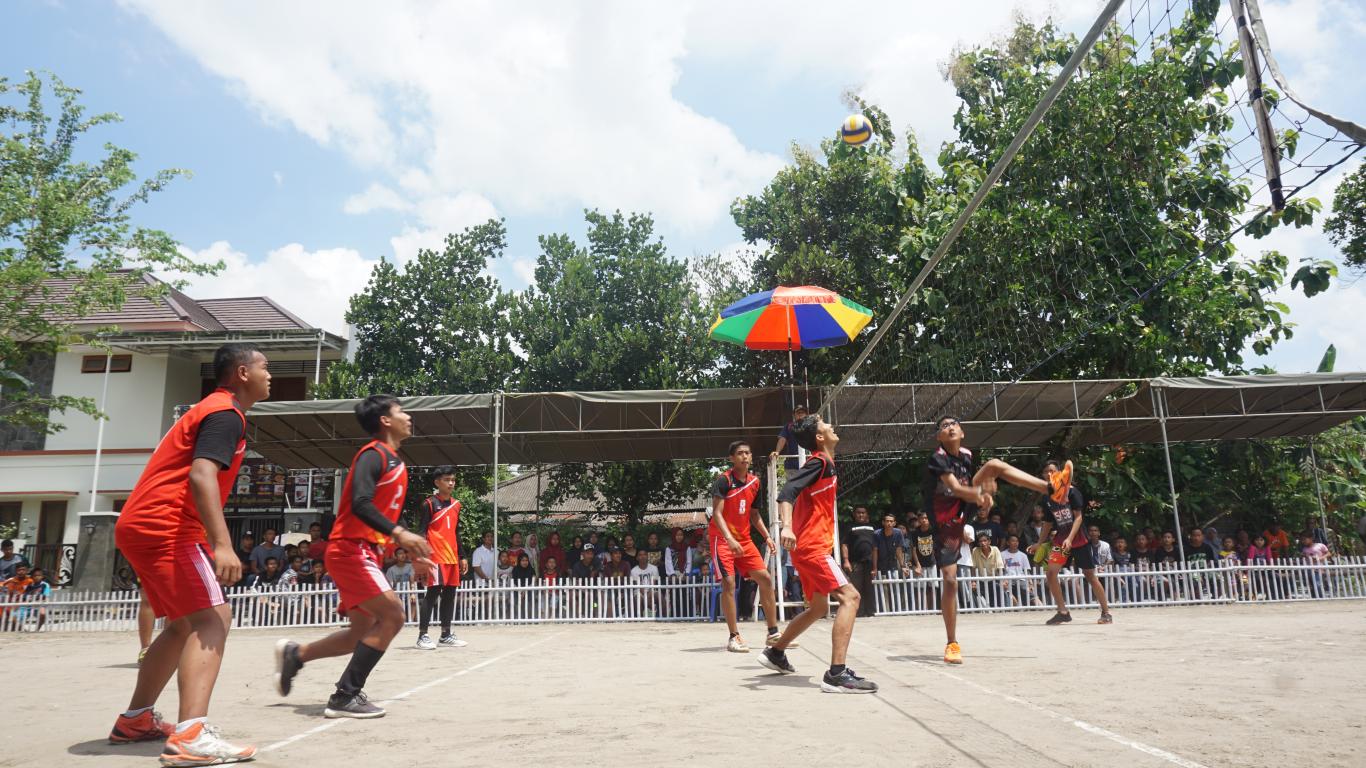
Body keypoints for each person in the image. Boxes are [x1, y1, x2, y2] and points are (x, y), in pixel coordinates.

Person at [109, 343, 267, 764]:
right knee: (214, 617)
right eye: (265, 367)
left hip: (142, 523)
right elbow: (202, 474)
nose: (270, 375)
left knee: (181, 625)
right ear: (242, 373)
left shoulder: (213, 410)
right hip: (169, 525)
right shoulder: (224, 412)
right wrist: (222, 543)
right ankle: (192, 734)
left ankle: (135, 720)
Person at [274, 394, 433, 720]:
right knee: (393, 616)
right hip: (350, 550)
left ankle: (296, 655)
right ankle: (345, 695)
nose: (408, 416)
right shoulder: (372, 455)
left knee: (359, 633)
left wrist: (405, 549)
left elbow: (377, 518)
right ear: (385, 421)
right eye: (401, 411)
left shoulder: (394, 461)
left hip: (364, 551)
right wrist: (401, 534)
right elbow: (360, 504)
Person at [759, 415, 876, 694]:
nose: (831, 424)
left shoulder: (828, 464)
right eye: (824, 424)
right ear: (820, 438)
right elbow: (787, 491)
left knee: (820, 608)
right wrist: (787, 526)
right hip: (811, 547)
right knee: (852, 597)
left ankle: (776, 653)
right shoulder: (819, 462)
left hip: (809, 548)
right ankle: (836, 674)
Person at [977, 457, 1109, 625]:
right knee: (1051, 573)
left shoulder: (1073, 492)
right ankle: (1063, 611)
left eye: (1052, 471)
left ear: (1060, 474)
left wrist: (1070, 538)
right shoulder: (1047, 498)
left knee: (1090, 576)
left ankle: (1106, 612)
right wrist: (1040, 542)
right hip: (1061, 541)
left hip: (1078, 540)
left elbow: (1078, 518)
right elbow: (1048, 522)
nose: (1048, 474)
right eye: (1046, 472)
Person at [708, 440, 784, 652]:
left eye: (747, 453)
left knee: (766, 580)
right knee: (729, 584)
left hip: (744, 539)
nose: (744, 456)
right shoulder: (723, 480)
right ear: (732, 458)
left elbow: (754, 514)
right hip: (722, 539)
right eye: (740, 453)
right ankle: (734, 636)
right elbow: (717, 513)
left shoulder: (755, 483)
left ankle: (773, 633)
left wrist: (767, 536)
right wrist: (729, 539)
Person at [415, 466, 466, 650]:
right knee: (432, 594)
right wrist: (422, 557)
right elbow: (421, 532)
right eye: (447, 479)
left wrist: (462, 556)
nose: (451, 483)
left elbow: (456, 531)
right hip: (435, 555)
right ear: (437, 482)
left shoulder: (456, 504)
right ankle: (423, 636)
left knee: (450, 596)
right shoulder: (428, 504)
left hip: (452, 556)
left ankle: (445, 634)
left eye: (453, 479)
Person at [841, 506, 877, 618]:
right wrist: (846, 560)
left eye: (863, 513)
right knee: (857, 587)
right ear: (854, 514)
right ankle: (859, 612)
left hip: (870, 562)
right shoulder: (849, 527)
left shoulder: (873, 527)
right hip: (855, 562)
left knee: (870, 587)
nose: (861, 515)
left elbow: (876, 547)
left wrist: (875, 566)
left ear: (867, 514)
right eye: (858, 513)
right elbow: (844, 544)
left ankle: (871, 612)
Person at [768, 404, 809, 473]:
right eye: (798, 413)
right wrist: (777, 452)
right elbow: (782, 439)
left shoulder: (811, 426)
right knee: (794, 483)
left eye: (802, 413)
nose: (800, 415)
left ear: (806, 415)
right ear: (794, 415)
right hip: (792, 465)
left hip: (809, 463)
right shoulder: (789, 427)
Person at [969, 531, 1006, 607]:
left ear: (989, 541)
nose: (983, 543)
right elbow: (973, 568)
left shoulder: (995, 549)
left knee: (1000, 593)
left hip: (994, 580)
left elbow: (1000, 567)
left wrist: (1003, 581)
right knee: (973, 593)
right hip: (981, 581)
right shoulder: (975, 550)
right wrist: (973, 581)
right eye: (980, 541)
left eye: (985, 541)